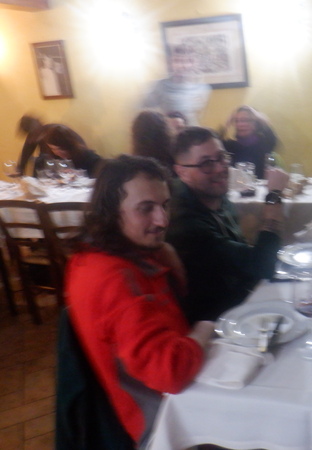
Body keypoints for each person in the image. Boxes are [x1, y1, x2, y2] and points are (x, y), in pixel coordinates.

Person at [65, 155, 213, 448]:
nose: (162, 220)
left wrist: (164, 253)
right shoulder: (114, 279)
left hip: (175, 400)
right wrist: (205, 331)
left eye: (165, 205)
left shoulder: (101, 254)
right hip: (166, 427)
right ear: (111, 212)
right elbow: (170, 372)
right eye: (146, 209)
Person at [167, 127, 289, 322]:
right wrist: (274, 196)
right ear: (182, 172)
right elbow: (261, 265)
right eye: (206, 163)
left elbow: (248, 260)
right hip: (218, 321)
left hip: (242, 297)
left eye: (221, 157)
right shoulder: (184, 223)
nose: (220, 169)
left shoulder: (212, 194)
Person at [142, 45, 211, 126]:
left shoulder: (203, 88)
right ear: (170, 62)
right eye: (178, 61)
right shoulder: (160, 86)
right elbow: (146, 110)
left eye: (189, 61)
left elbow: (198, 115)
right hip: (169, 131)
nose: (184, 66)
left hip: (193, 131)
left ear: (196, 63)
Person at [15, 115, 86, 177]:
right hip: (55, 167)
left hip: (73, 165)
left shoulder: (56, 132)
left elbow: (79, 151)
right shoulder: (34, 135)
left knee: (42, 160)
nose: (33, 137)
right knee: (40, 161)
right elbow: (25, 153)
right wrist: (20, 170)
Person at [221, 105, 279, 179]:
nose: (240, 124)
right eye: (237, 121)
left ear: (256, 123)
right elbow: (216, 144)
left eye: (245, 120)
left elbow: (272, 138)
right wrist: (226, 126)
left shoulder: (264, 143)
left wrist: (257, 116)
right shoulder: (231, 146)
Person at [34, 124, 103, 178]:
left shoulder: (86, 156)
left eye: (60, 149)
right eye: (53, 149)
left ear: (68, 145)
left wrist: (79, 173)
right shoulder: (53, 158)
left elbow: (100, 174)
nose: (57, 152)